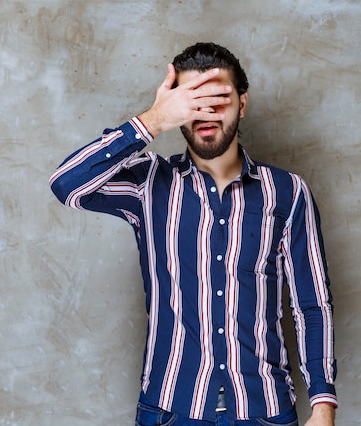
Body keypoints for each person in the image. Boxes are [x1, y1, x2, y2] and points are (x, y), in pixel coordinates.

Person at [50, 42, 337, 426]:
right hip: (170, 411)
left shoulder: (287, 192)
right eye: (191, 100)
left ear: (242, 103)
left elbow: (311, 304)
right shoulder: (147, 184)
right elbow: (66, 185)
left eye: (218, 98)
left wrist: (322, 403)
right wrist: (152, 120)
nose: (205, 112)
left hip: (264, 412)